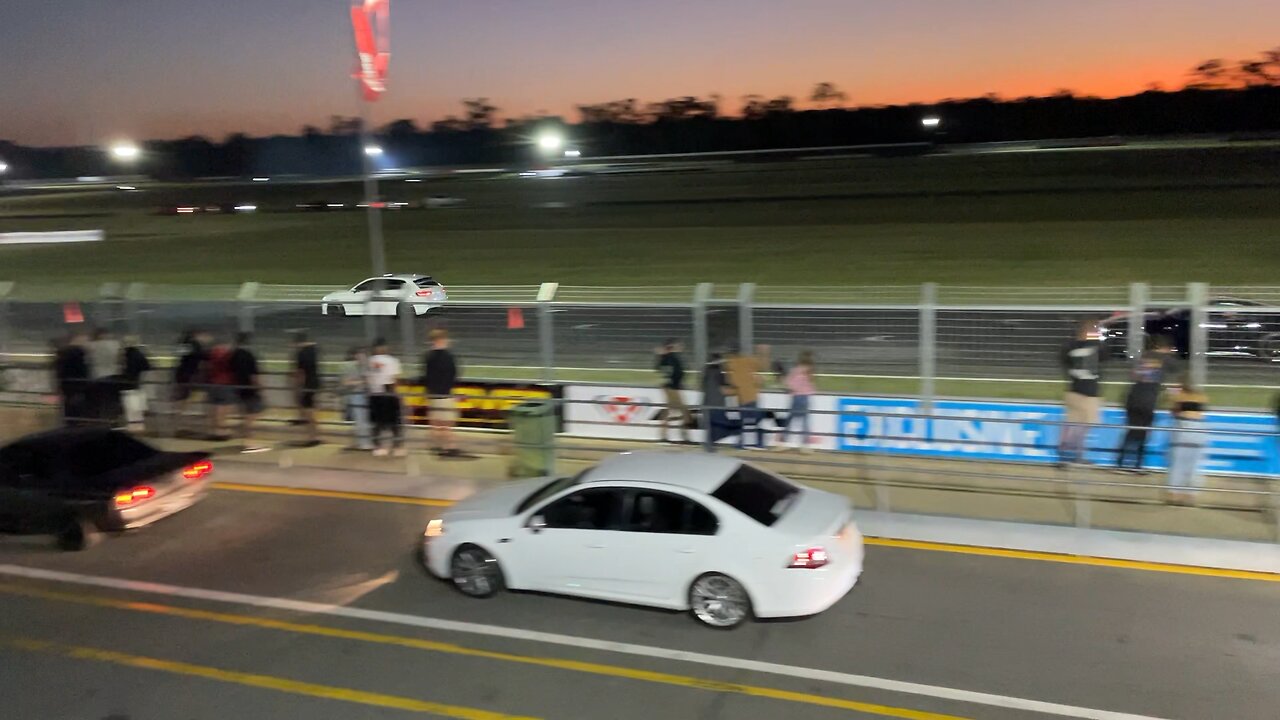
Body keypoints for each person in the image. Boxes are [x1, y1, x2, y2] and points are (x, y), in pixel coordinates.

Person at [1058, 320, 1102, 465]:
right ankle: (1075, 455)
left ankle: (1065, 455)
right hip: (1088, 394)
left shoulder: (1069, 347)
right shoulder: (1094, 347)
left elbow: (1064, 360)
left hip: (1073, 392)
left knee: (1072, 424)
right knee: (1083, 427)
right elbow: (1106, 354)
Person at [1115, 355, 1164, 472]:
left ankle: (1135, 465)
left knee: (1140, 438)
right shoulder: (1142, 378)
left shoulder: (1153, 379)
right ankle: (1122, 464)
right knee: (1132, 436)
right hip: (1138, 408)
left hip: (1144, 408)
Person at [1166, 378, 1209, 505]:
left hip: (1184, 429)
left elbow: (1174, 411)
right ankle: (1191, 495)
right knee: (1194, 465)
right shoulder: (1201, 396)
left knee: (1178, 463)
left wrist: (1172, 394)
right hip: (1200, 429)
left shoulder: (1179, 396)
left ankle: (1174, 494)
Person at [422, 328, 462, 457]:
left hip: (433, 395)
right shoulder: (449, 357)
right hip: (446, 395)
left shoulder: (428, 357)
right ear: (441, 340)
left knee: (435, 424)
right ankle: (449, 447)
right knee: (447, 425)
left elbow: (425, 376)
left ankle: (436, 446)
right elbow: (454, 375)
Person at [725, 344, 770, 449]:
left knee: (746, 421)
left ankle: (746, 442)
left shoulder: (730, 365)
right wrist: (763, 353)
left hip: (742, 398)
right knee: (752, 420)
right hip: (752, 396)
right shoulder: (747, 360)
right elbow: (763, 366)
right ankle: (758, 442)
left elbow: (730, 382)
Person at [228, 332, 267, 453]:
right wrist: (260, 388)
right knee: (251, 416)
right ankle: (248, 442)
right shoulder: (249, 355)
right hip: (250, 389)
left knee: (246, 415)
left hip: (238, 388)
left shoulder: (233, 355)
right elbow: (254, 375)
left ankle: (245, 439)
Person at [366, 339, 405, 457]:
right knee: (394, 422)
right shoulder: (392, 361)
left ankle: (379, 446)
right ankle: (397, 447)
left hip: (375, 394)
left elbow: (368, 379)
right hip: (388, 392)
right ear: (385, 348)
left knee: (377, 422)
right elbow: (395, 379)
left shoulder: (369, 361)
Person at [655, 339, 691, 444]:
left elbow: (659, 370)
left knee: (670, 412)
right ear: (671, 347)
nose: (680, 347)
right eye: (678, 345)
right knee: (684, 412)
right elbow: (678, 373)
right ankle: (684, 437)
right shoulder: (672, 358)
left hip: (669, 388)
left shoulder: (665, 358)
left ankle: (664, 436)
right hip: (673, 389)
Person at [781, 350, 816, 451]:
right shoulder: (809, 371)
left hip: (797, 397)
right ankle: (805, 445)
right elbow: (810, 384)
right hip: (805, 398)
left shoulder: (795, 370)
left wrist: (783, 380)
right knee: (804, 421)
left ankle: (783, 443)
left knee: (789, 420)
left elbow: (789, 384)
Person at [87, 328, 123, 425]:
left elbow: (88, 361)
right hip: (114, 377)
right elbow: (120, 360)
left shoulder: (91, 346)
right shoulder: (116, 344)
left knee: (98, 402)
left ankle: (99, 422)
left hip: (97, 377)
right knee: (112, 402)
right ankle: (113, 422)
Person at [341, 346, 373, 451]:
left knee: (367, 420)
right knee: (360, 420)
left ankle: (367, 442)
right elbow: (346, 382)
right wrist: (361, 382)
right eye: (360, 355)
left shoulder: (368, 366)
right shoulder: (349, 367)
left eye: (364, 355)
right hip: (356, 395)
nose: (362, 357)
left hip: (368, 395)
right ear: (356, 356)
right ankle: (363, 443)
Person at [54, 333, 90, 425]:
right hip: (79, 383)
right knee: (78, 404)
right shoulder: (80, 352)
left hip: (67, 383)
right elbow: (84, 369)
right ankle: (78, 422)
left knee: (68, 405)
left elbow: (60, 369)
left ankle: (69, 422)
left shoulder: (63, 353)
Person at [293, 331, 321, 447]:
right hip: (315, 382)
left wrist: (299, 386)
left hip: (307, 384)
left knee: (308, 411)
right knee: (311, 410)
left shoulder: (301, 353)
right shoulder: (314, 350)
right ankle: (315, 435)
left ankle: (312, 437)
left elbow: (301, 372)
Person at [205, 339, 237, 440]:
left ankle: (214, 431)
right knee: (223, 409)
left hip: (212, 383)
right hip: (224, 383)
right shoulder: (226, 354)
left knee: (214, 408)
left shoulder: (210, 353)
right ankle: (221, 432)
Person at [119, 336, 152, 430]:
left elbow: (127, 369)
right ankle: (138, 425)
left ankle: (134, 425)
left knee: (131, 405)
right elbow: (147, 366)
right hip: (137, 381)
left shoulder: (128, 355)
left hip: (130, 382)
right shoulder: (138, 353)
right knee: (136, 405)